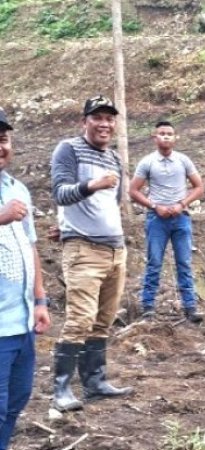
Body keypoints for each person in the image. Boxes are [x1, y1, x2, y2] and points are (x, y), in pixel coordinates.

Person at [50, 95, 132, 412]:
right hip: (83, 249)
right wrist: (92, 184)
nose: (104, 124)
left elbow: (109, 206)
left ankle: (95, 382)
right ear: (84, 121)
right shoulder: (68, 149)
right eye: (97, 117)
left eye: (110, 118)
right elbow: (60, 193)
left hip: (115, 250)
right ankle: (60, 390)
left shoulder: (114, 160)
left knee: (103, 321)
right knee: (79, 320)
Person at [0, 108, 51, 450]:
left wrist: (41, 300)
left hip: (20, 321)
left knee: (14, 403)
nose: (0, 147)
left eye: (4, 139)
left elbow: (31, 247)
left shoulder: (17, 189)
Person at [129, 120, 205, 323]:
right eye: (161, 133)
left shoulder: (183, 161)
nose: (166, 136)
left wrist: (182, 204)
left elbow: (199, 187)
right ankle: (148, 307)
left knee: (184, 263)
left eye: (169, 133)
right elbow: (133, 190)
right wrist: (155, 206)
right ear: (155, 137)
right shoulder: (147, 162)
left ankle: (190, 307)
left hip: (181, 218)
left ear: (175, 137)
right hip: (157, 219)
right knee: (154, 262)